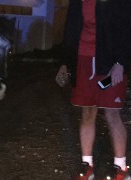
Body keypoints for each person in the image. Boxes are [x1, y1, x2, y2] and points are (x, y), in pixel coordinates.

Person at [56, 0, 131, 179]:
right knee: (87, 113)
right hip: (84, 60)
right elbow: (71, 31)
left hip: (110, 63)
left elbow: (127, 29)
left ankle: (121, 167)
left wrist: (121, 63)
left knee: (112, 113)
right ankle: (87, 164)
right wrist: (65, 62)